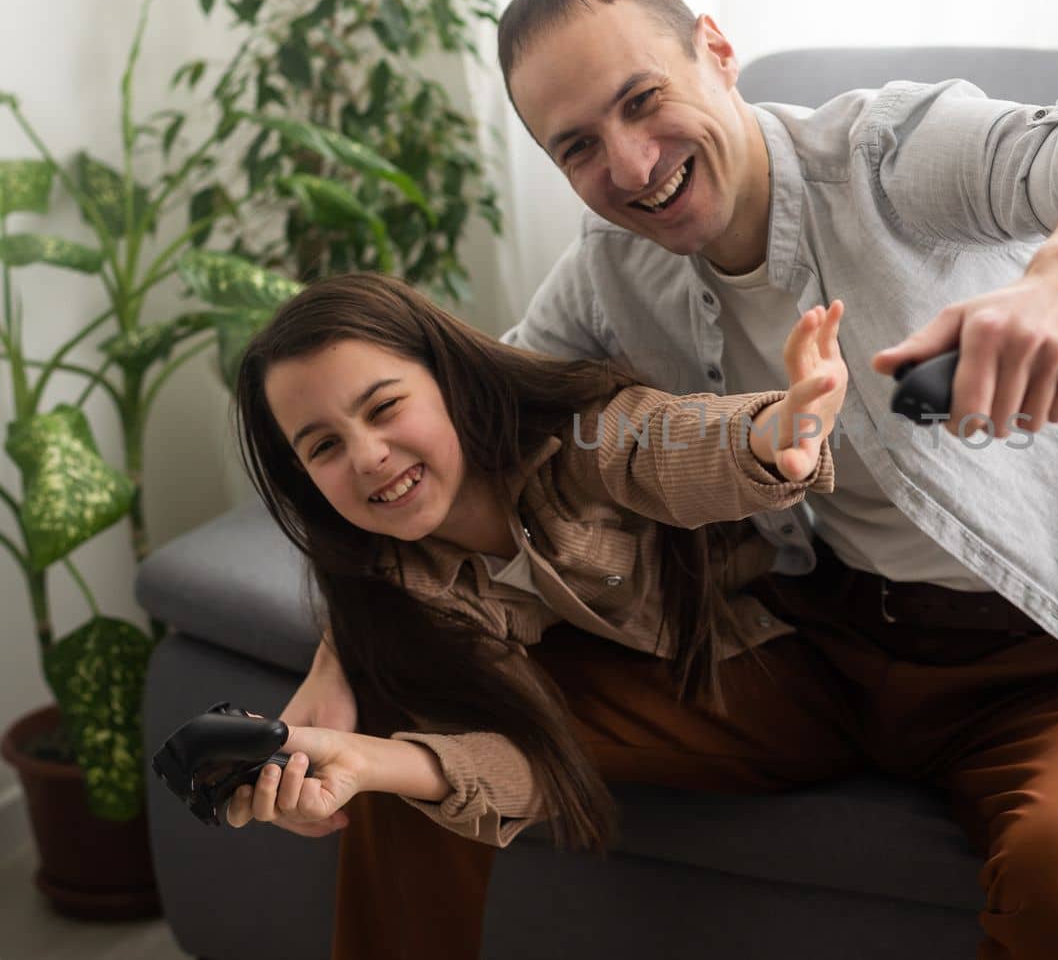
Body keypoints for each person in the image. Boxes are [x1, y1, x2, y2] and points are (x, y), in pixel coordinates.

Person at [275, 0, 1058, 960]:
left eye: (644, 99)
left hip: (1048, 660)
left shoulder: (890, 155)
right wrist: (344, 655)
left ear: (717, 52)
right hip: (805, 647)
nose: (634, 165)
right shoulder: (608, 270)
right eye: (580, 148)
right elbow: (472, 429)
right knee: (400, 721)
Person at [223, 270, 849, 848]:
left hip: (763, 673)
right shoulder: (399, 584)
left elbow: (662, 447)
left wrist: (773, 434)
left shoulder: (573, 435)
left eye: (385, 408)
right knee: (391, 712)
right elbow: (532, 768)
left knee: (390, 713)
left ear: (450, 379)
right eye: (325, 446)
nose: (366, 456)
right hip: (632, 680)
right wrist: (363, 762)